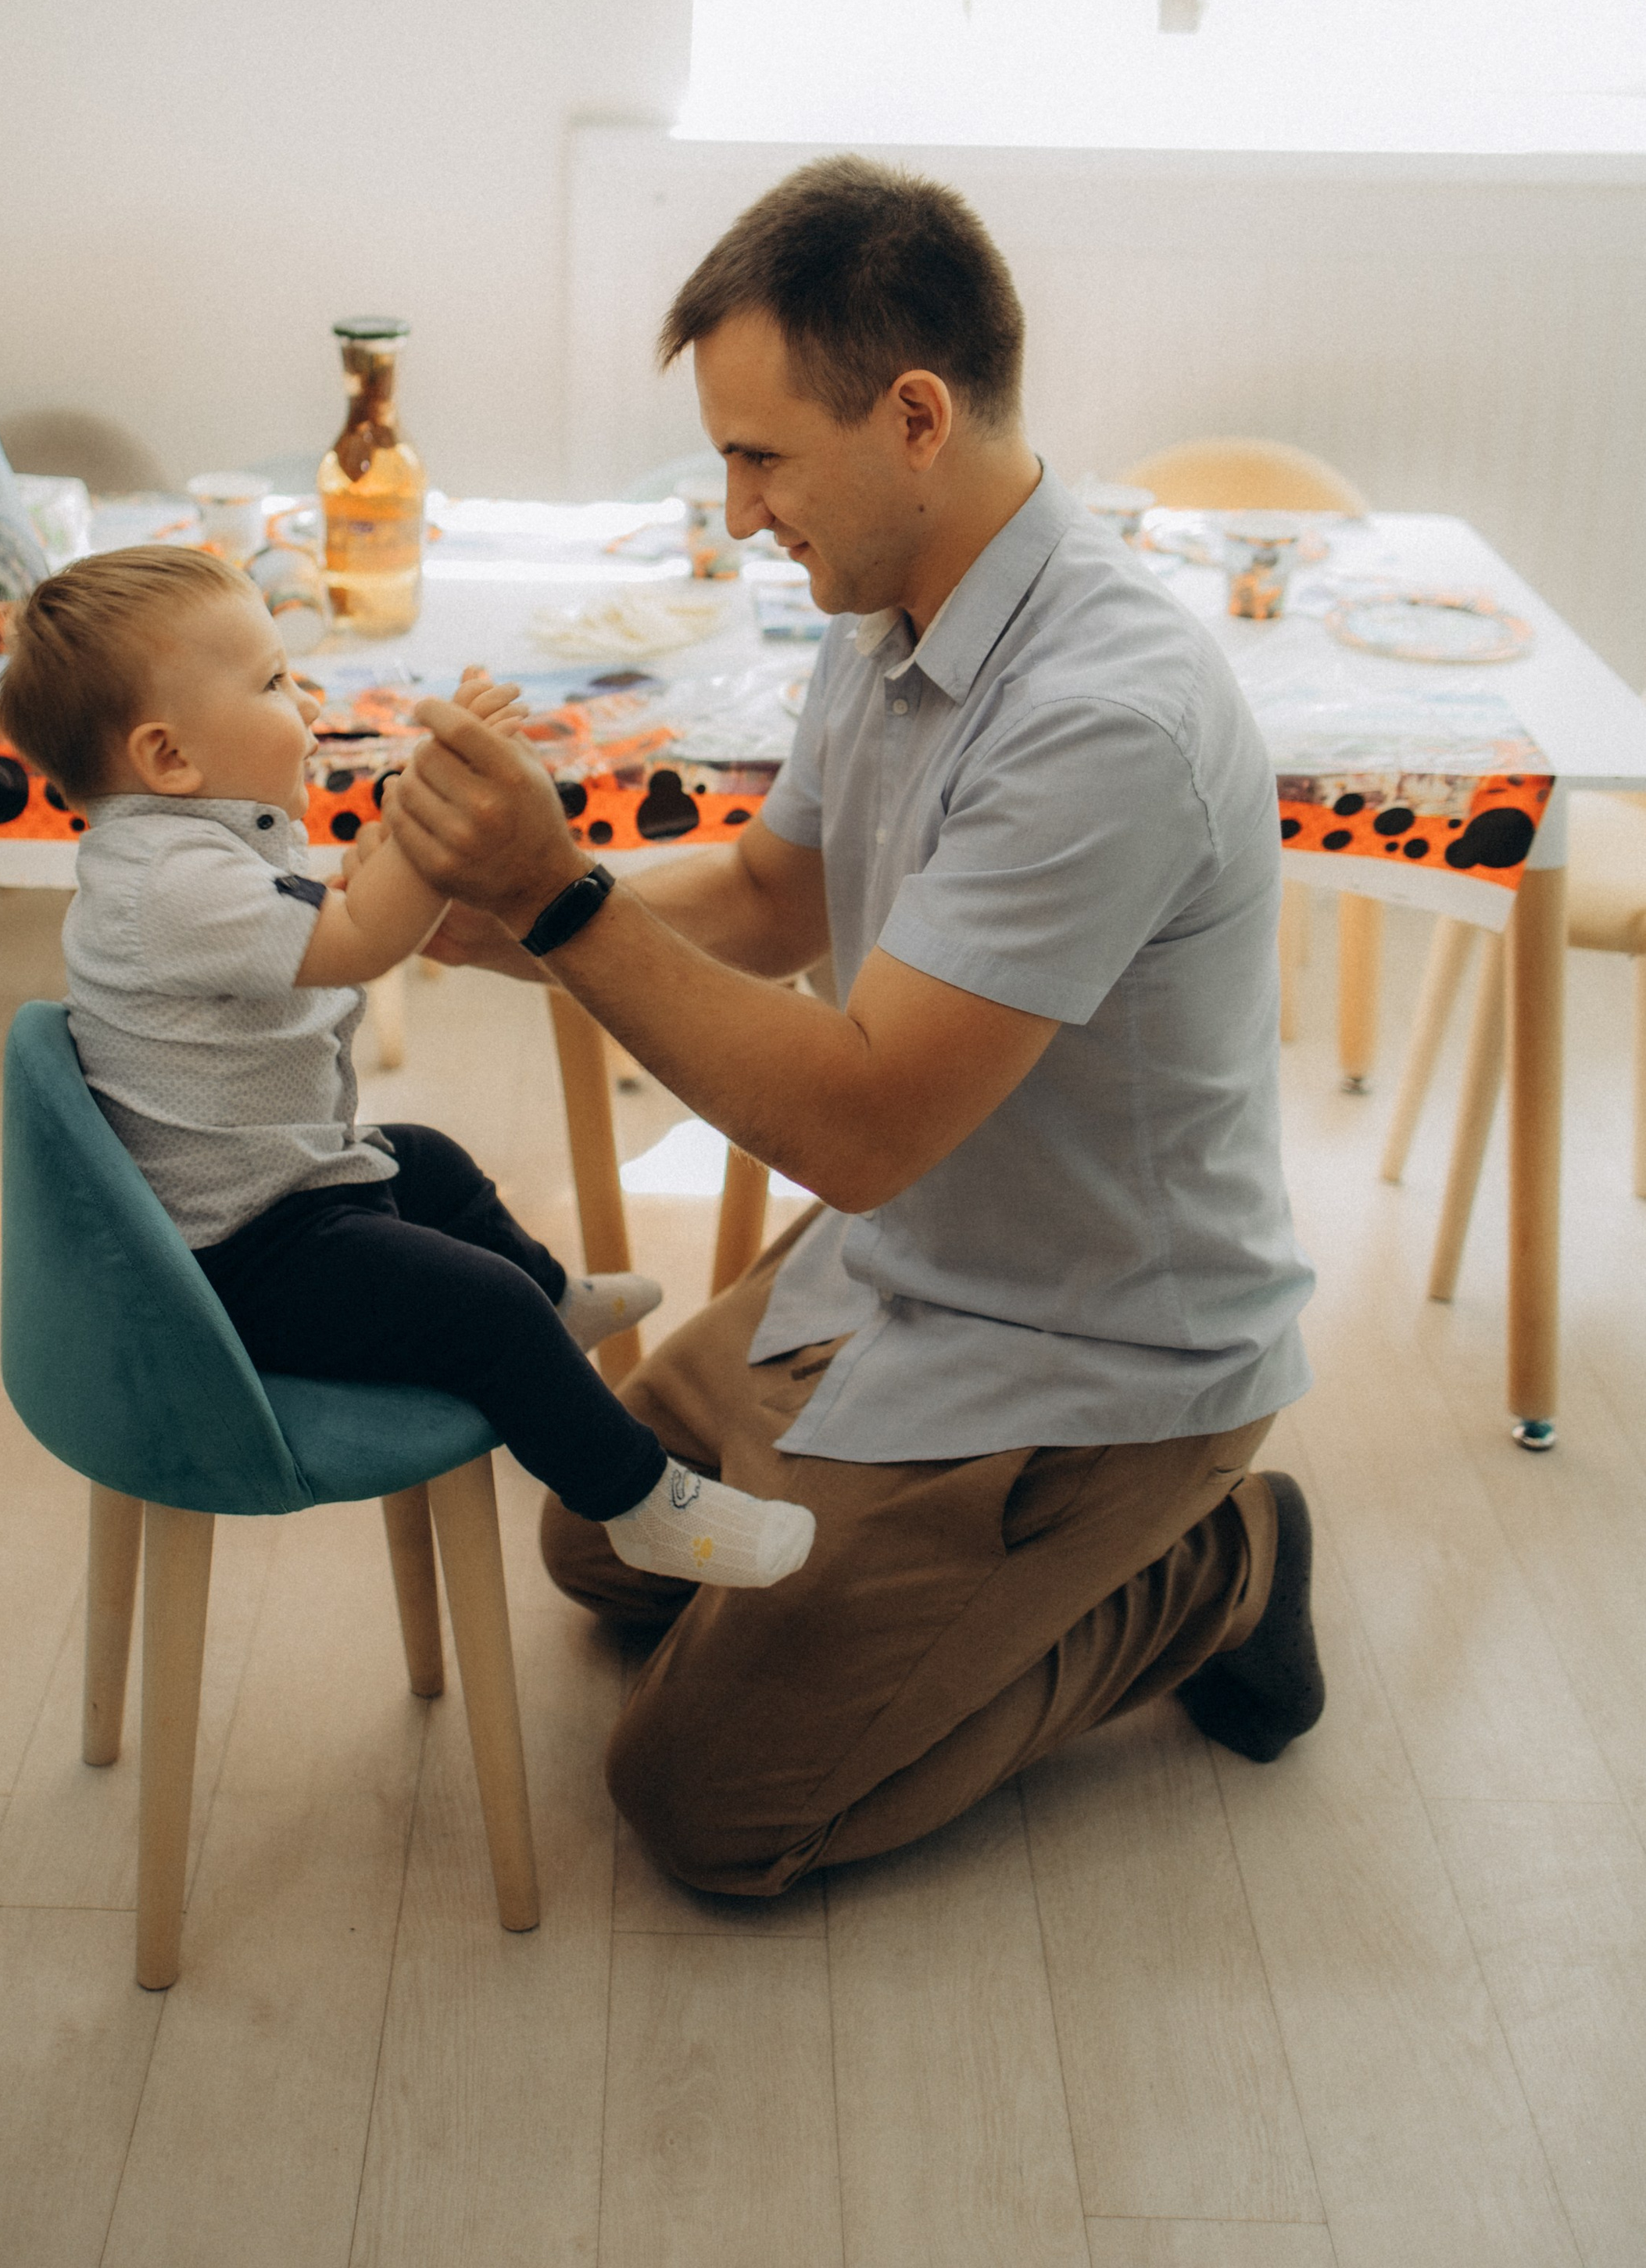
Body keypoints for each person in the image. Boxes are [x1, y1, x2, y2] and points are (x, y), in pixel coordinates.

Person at [381, 154, 1326, 1900]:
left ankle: (1216, 1567)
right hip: (915, 1264)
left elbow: (858, 1126)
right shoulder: (889, 596)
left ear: (911, 417)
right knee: (600, 1544)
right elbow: (765, 899)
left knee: (708, 1805)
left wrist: (561, 900)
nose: (738, 513)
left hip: (1095, 1346)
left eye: (759, 459)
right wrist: (501, 915)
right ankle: (893, 1564)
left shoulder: (1099, 717)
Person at [0, 544, 817, 1590]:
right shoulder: (173, 887)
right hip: (237, 1261)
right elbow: (361, 942)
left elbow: (335, 908)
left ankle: (554, 1297)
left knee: (427, 1164)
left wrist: (415, 811)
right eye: (275, 682)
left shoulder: (187, 852)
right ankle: (639, 1503)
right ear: (168, 757)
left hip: (276, 1187)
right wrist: (448, 812)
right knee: (484, 1314)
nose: (306, 697)